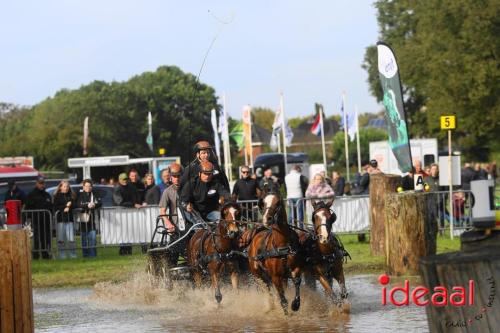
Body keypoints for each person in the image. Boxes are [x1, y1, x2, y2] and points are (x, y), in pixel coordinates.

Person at [158, 163, 186, 265]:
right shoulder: (167, 192)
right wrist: (168, 223)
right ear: (170, 177)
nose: (177, 179)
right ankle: (171, 271)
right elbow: (162, 211)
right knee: (172, 253)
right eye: (174, 176)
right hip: (175, 228)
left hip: (190, 226)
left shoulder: (189, 189)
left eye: (179, 176)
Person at [113, 172, 142, 255]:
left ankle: (128, 249)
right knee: (122, 232)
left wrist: (139, 202)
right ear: (119, 180)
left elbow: (136, 197)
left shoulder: (131, 187)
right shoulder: (117, 189)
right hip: (121, 214)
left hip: (130, 213)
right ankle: (123, 250)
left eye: (126, 179)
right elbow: (119, 202)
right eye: (123, 179)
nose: (125, 181)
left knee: (129, 231)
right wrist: (133, 204)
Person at [25, 177, 53, 259]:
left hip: (46, 220)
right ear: (36, 183)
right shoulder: (31, 195)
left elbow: (50, 207)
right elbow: (27, 207)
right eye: (40, 183)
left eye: (43, 183)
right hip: (36, 220)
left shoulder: (47, 195)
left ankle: (45, 254)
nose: (42, 185)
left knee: (46, 238)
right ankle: (36, 255)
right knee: (37, 239)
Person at [76, 179, 102, 258]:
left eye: (90, 186)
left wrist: (94, 205)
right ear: (83, 187)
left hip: (92, 220)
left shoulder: (95, 194)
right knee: (84, 240)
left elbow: (100, 203)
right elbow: (78, 204)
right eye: (86, 186)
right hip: (83, 220)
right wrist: (87, 206)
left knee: (93, 239)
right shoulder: (79, 195)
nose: (88, 187)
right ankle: (85, 255)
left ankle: (93, 255)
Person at [52, 180, 77, 259]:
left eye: (67, 186)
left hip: (69, 219)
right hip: (60, 220)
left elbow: (75, 205)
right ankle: (62, 255)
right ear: (60, 187)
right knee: (61, 239)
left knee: (71, 239)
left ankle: (73, 255)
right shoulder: (57, 196)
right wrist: (64, 207)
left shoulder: (71, 195)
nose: (66, 188)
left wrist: (70, 205)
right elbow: (55, 207)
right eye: (64, 186)